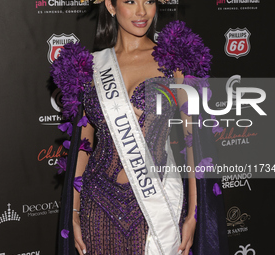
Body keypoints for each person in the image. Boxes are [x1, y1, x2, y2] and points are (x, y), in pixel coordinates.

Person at [51, 0, 229, 254]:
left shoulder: (174, 64)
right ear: (111, 7)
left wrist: (193, 214)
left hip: (158, 203)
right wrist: (74, 212)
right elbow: (83, 145)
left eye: (149, 1)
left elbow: (195, 143)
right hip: (98, 204)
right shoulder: (91, 68)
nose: (142, 11)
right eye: (131, 1)